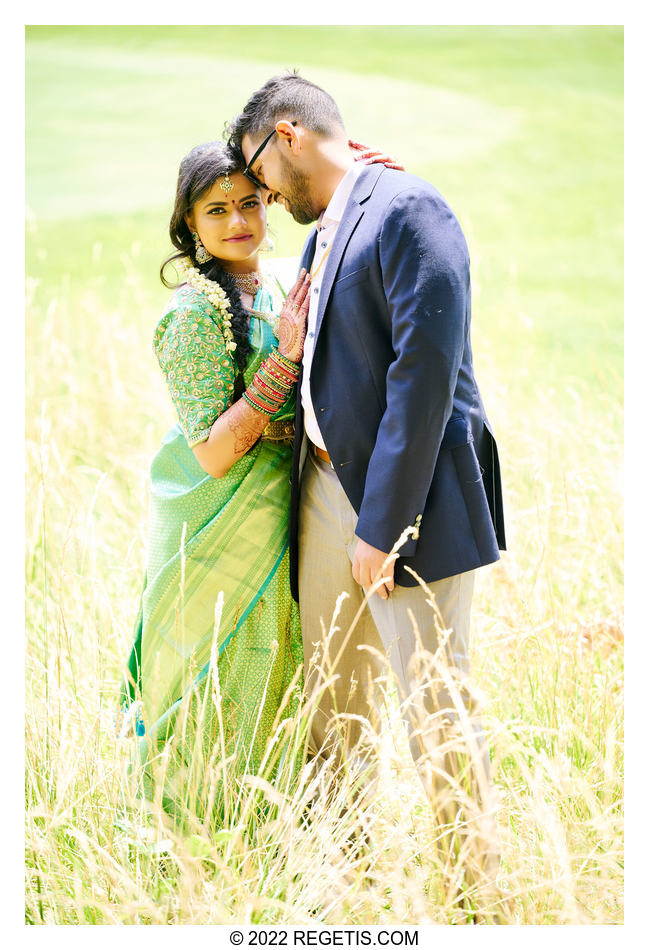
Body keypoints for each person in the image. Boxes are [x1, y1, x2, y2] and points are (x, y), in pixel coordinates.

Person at [228, 73, 506, 874]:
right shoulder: (332, 225)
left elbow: (424, 378)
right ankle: (342, 886)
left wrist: (382, 526)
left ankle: (470, 898)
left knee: (435, 711)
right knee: (333, 706)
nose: (260, 196)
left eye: (257, 173)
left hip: (403, 506)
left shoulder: (413, 209)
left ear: (286, 134)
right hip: (322, 492)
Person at [120, 139, 402, 828]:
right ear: (188, 223)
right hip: (217, 517)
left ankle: (268, 828)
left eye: (249, 202)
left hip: (286, 506)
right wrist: (284, 358)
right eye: (216, 210)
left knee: (278, 665)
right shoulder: (193, 315)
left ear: (271, 200)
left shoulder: (278, 280)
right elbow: (213, 454)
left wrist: (370, 182)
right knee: (208, 671)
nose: (237, 221)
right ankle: (191, 833)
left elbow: (348, 252)